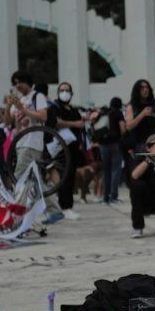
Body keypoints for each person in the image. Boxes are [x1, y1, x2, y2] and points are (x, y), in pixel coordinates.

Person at [7, 71, 64, 225]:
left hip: (31, 143)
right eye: (15, 83)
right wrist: (9, 106)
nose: (18, 85)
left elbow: (43, 117)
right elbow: (8, 122)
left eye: (20, 82)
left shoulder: (37, 96)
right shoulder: (20, 100)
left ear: (28, 82)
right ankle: (55, 210)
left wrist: (23, 109)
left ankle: (15, 217)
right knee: (35, 180)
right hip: (21, 143)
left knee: (19, 178)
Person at [50, 82, 94, 220]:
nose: (64, 93)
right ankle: (65, 207)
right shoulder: (55, 107)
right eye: (62, 90)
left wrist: (82, 121)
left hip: (73, 147)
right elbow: (56, 122)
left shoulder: (72, 109)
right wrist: (75, 124)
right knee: (65, 176)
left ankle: (68, 206)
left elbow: (78, 124)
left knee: (70, 177)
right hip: (62, 146)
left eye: (67, 90)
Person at [129, 134, 155, 238]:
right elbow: (134, 175)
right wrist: (150, 158)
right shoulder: (141, 158)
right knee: (137, 187)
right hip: (146, 196)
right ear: (148, 147)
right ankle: (138, 227)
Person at [94, 97, 126, 204]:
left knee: (106, 171)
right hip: (115, 143)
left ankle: (105, 198)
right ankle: (113, 197)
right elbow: (122, 128)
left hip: (103, 144)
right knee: (115, 170)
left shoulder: (104, 112)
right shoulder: (118, 113)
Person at [125, 79, 155, 153]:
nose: (145, 90)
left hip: (153, 143)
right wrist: (142, 114)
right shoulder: (131, 106)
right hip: (138, 144)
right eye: (142, 88)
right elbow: (128, 127)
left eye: (147, 87)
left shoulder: (153, 105)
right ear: (137, 90)